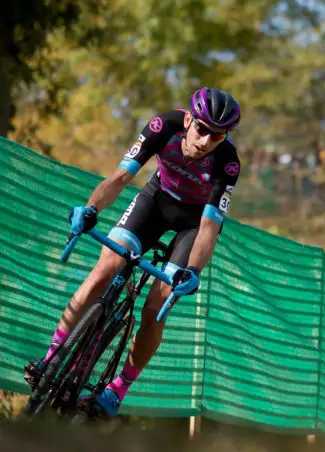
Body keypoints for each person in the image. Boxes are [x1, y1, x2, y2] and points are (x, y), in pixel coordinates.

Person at [24, 88, 242, 418]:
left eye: (217, 136)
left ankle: (117, 390)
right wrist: (91, 207)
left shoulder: (227, 163)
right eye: (201, 129)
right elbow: (121, 176)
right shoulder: (161, 127)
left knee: (156, 307)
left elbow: (209, 227)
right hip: (156, 202)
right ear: (187, 120)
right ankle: (53, 355)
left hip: (193, 226)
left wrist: (193, 270)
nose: (206, 141)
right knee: (104, 268)